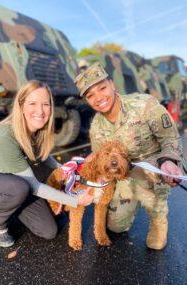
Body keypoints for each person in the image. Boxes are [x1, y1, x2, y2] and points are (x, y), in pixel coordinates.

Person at [74, 62, 186, 250]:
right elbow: (101, 162)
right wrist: (86, 182)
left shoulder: (144, 104)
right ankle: (130, 206)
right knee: (115, 227)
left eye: (102, 88)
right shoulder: (97, 126)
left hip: (153, 169)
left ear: (112, 84)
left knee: (156, 245)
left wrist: (168, 161)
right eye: (90, 95)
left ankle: (158, 216)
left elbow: (170, 137)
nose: (98, 98)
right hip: (123, 175)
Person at [0, 80, 93, 248]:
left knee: (49, 230)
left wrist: (66, 171)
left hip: (17, 180)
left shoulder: (37, 130)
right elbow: (34, 186)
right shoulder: (5, 136)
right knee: (18, 188)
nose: (40, 111)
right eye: (32, 103)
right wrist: (75, 200)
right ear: (21, 105)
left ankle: (12, 205)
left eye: (46, 104)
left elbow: (44, 156)